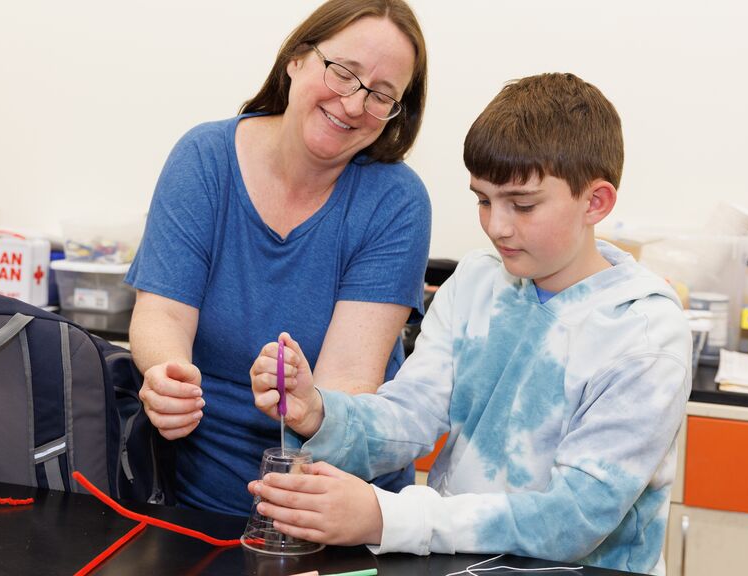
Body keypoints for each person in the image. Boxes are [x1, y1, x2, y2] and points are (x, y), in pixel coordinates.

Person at [249, 73, 691, 575]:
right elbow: (413, 412)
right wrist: (320, 412)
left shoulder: (644, 335)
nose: (497, 226)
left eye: (522, 205)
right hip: (460, 563)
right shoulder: (478, 281)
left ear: (595, 202)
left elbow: (574, 518)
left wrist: (387, 517)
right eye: (483, 199)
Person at [125, 0, 431, 516]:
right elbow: (162, 314)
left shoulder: (396, 201)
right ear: (296, 59)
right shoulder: (204, 159)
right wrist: (168, 377)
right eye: (343, 73)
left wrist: (307, 396)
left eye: (381, 95)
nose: (354, 105)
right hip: (194, 503)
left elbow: (348, 386)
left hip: (332, 515)